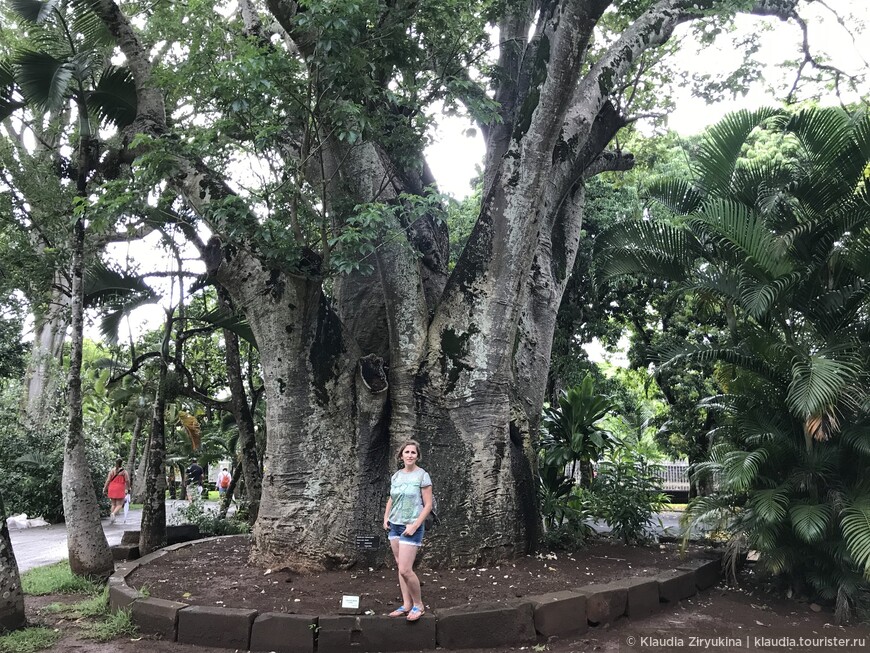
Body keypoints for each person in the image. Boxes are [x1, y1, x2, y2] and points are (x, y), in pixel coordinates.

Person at [382, 439, 433, 622]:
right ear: (401, 455)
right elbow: (392, 497)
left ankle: (418, 605)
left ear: (417, 456)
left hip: (412, 525)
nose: (410, 455)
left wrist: (415, 525)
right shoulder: (396, 476)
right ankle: (406, 604)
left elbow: (428, 505)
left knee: (405, 569)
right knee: (399, 565)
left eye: (413, 452)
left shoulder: (422, 476)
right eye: (407, 452)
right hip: (395, 525)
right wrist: (386, 516)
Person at [103, 458, 129, 525]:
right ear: (121, 463)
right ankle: (113, 514)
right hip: (120, 488)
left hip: (112, 487)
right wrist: (128, 487)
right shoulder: (124, 472)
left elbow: (108, 480)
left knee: (113, 504)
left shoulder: (112, 471)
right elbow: (127, 480)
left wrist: (105, 488)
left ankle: (112, 519)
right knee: (120, 504)